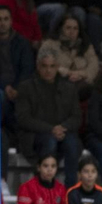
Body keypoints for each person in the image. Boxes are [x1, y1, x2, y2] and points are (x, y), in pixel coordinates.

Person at [17, 51, 82, 184]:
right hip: (36, 135)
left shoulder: (69, 88)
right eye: (44, 66)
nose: (48, 70)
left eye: (52, 66)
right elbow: (23, 118)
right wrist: (51, 129)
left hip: (63, 133)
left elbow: (76, 117)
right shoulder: (26, 87)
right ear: (38, 66)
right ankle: (45, 185)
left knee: (72, 143)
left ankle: (71, 188)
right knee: (50, 141)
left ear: (57, 67)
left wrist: (63, 128)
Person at [0, 6, 36, 135]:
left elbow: (27, 68)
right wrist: (5, 87)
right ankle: (0, 133)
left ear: (11, 21)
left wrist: (16, 87)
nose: (2, 23)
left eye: (6, 19)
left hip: (21, 85)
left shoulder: (23, 43)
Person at [37, 14, 99, 89]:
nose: (72, 31)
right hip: (56, 84)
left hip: (82, 83)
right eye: (68, 28)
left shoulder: (86, 46)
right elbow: (42, 64)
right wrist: (69, 73)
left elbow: (94, 65)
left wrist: (81, 75)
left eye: (75, 28)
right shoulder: (49, 44)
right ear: (61, 29)